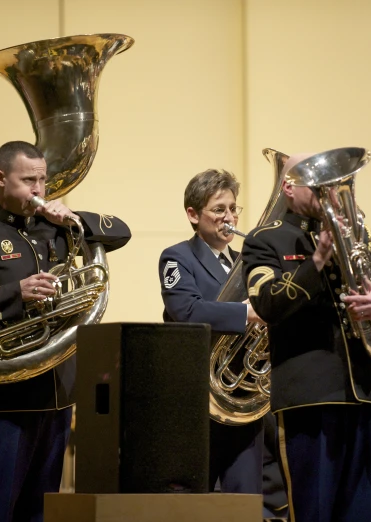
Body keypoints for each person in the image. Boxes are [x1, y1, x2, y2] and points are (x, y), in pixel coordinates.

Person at [0, 141, 131, 521]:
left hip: (59, 394)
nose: (39, 190)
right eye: (28, 181)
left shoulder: (55, 228)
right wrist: (15, 293)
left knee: (40, 513)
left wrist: (74, 218)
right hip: (7, 398)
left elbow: (121, 232)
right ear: (1, 179)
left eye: (42, 180)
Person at [241, 151, 371, 521]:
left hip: (364, 390)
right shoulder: (264, 240)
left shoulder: (355, 233)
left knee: (361, 509)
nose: (326, 190)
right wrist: (316, 261)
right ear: (288, 187)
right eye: (315, 183)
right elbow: (268, 305)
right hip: (309, 395)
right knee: (314, 508)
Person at [158, 168, 266, 495]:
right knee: (193, 497)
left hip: (243, 397)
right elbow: (186, 310)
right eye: (219, 210)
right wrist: (247, 312)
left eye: (233, 209)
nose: (229, 217)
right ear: (193, 214)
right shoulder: (178, 257)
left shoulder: (246, 263)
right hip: (197, 397)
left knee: (245, 498)